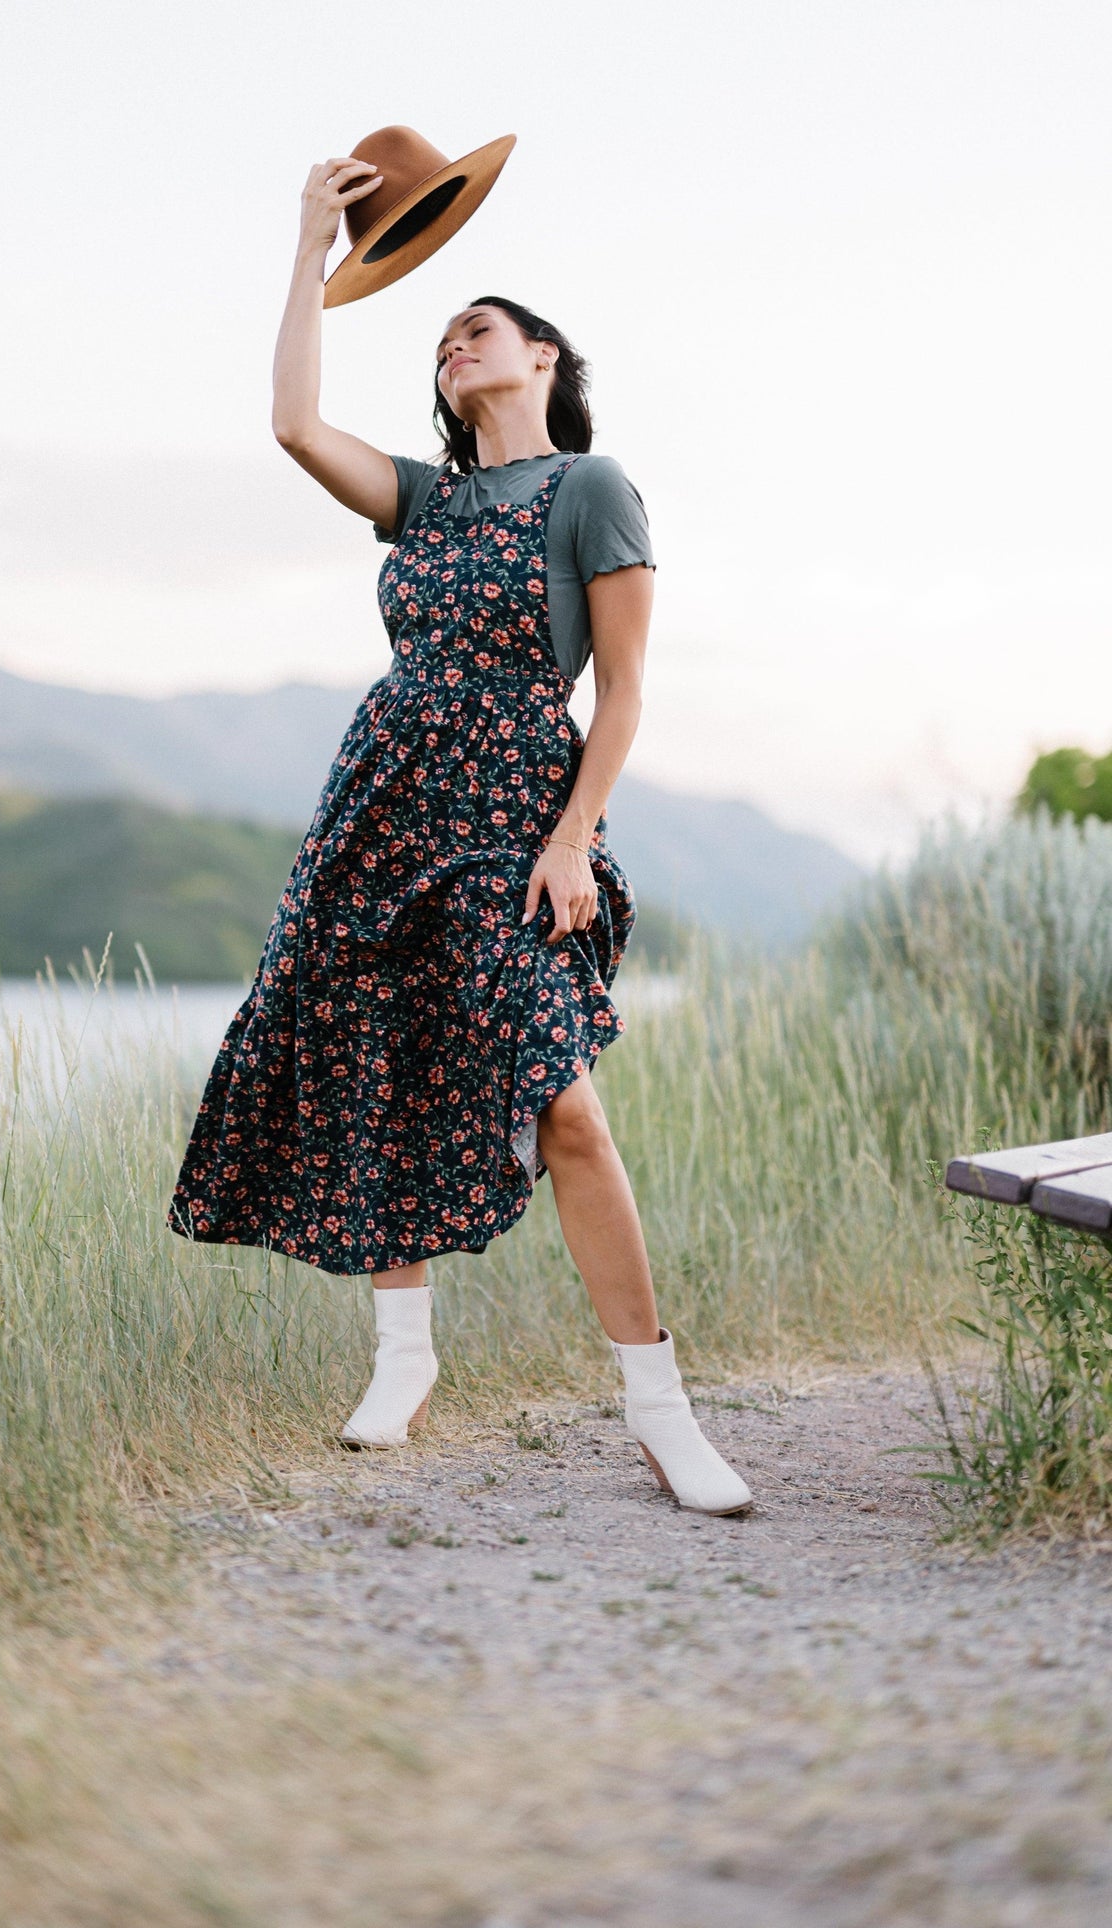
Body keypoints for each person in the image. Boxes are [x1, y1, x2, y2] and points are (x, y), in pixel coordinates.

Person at [168, 155, 750, 1517]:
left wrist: (571, 838)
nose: (454, 341)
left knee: (567, 1112)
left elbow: (623, 690)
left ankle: (662, 1412)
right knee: (373, 1074)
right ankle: (403, 1361)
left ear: (542, 357)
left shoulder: (589, 488)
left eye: (479, 325)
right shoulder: (425, 501)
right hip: (379, 811)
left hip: (513, 819)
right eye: (443, 337)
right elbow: (294, 422)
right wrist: (311, 253)